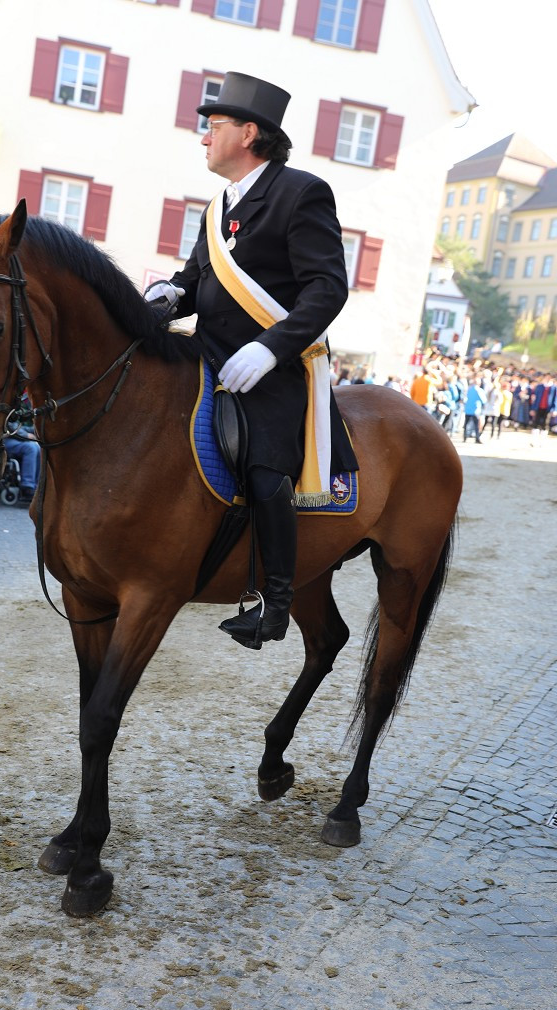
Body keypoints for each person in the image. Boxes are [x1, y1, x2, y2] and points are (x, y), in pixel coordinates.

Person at [145, 71, 348, 647]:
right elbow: (193, 278)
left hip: (273, 368)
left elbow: (327, 289)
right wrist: (169, 293)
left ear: (250, 133)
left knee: (261, 464)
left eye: (214, 127)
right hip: (206, 355)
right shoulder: (216, 207)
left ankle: (273, 599)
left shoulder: (301, 192)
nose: (204, 138)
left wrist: (270, 347)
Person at [463, 376, 487, 443]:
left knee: (466, 424)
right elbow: (483, 400)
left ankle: (464, 437)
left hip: (468, 409)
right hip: (475, 410)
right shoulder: (479, 390)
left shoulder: (469, 389)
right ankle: (477, 438)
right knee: (476, 425)